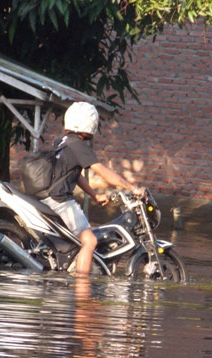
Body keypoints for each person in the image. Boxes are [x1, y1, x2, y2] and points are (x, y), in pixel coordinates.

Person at [41, 102, 144, 276]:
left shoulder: (63, 141)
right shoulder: (79, 145)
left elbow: (75, 174)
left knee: (80, 239)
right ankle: (83, 295)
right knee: (89, 241)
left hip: (48, 197)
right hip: (60, 200)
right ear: (89, 123)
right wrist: (132, 187)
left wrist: (95, 195)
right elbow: (103, 172)